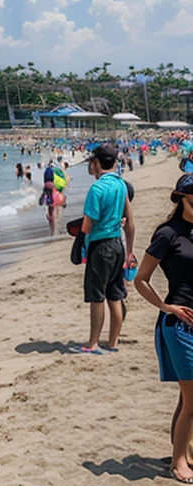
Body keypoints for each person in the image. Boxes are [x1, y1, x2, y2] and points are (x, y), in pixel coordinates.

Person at [134, 174, 193, 483]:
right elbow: (140, 279)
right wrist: (165, 307)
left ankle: (183, 452)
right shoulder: (168, 233)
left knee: (187, 400)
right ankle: (178, 462)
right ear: (180, 198)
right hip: (180, 326)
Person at [76, 143, 135, 353]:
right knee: (115, 295)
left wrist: (80, 239)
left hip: (100, 247)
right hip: (117, 245)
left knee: (97, 296)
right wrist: (129, 251)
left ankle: (92, 343)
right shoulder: (121, 185)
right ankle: (113, 342)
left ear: (97, 162)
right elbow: (130, 222)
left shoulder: (97, 188)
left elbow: (89, 222)